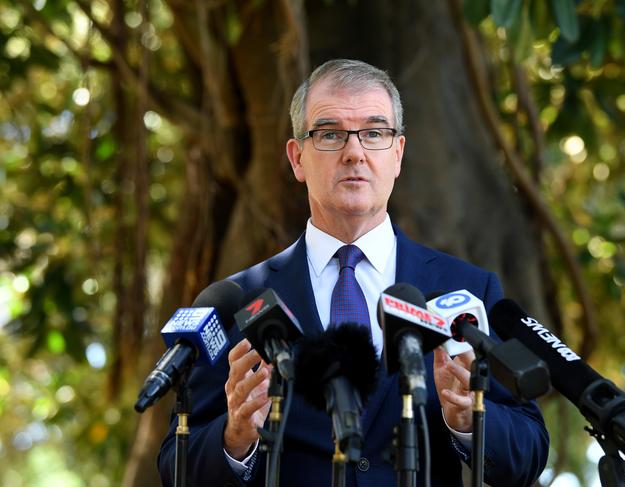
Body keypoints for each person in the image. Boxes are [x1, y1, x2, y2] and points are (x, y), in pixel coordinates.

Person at [158, 59, 549, 486]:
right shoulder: (235, 300)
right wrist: (234, 438)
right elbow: (176, 463)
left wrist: (470, 420)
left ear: (397, 154)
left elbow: (528, 450)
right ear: (297, 158)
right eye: (329, 134)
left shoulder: (465, 289)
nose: (354, 153)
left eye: (375, 133)